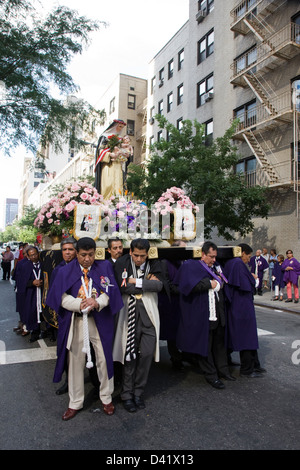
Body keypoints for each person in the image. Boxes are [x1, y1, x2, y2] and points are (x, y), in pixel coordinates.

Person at [46, 237, 123, 421]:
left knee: (104, 359)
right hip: (77, 320)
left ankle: (106, 398)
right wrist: (78, 304)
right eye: (83, 255)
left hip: (98, 319)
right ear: (76, 253)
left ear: (95, 252)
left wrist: (97, 301)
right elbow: (60, 297)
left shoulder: (103, 267)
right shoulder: (65, 271)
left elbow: (110, 292)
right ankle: (75, 402)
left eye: (90, 254)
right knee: (75, 362)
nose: (87, 259)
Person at [175, 241, 234, 389]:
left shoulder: (215, 267)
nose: (214, 259)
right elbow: (188, 285)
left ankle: (223, 370)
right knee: (205, 346)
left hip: (218, 312)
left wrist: (215, 282)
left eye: (215, 256)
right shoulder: (192, 266)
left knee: (219, 344)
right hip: (202, 314)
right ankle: (211, 375)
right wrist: (209, 283)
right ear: (203, 254)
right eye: (211, 256)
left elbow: (221, 281)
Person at [113, 238, 164, 412]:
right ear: (130, 252)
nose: (139, 259)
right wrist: (146, 283)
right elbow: (122, 287)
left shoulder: (155, 263)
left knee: (147, 354)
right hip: (129, 313)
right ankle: (127, 394)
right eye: (136, 255)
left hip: (149, 314)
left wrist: (136, 282)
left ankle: (138, 392)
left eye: (142, 256)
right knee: (130, 355)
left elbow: (159, 286)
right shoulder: (122, 263)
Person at [223, 243, 265, 378]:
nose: (249, 259)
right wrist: (252, 279)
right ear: (243, 253)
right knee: (247, 337)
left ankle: (251, 365)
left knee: (235, 335)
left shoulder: (230, 263)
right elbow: (246, 285)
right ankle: (247, 369)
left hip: (235, 304)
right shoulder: (238, 263)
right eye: (248, 255)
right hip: (242, 305)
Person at [14, 245, 44, 342]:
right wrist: (32, 282)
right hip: (32, 294)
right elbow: (21, 281)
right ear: (28, 256)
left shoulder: (43, 264)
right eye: (31, 255)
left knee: (44, 312)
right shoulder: (25, 266)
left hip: (42, 293)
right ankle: (34, 333)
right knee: (32, 313)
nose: (34, 257)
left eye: (35, 254)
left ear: (38, 254)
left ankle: (48, 332)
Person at [94, 119, 127, 198]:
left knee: (119, 183)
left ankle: (118, 201)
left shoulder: (120, 139)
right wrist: (110, 154)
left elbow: (122, 152)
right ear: (114, 125)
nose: (120, 129)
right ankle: (105, 201)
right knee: (108, 184)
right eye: (119, 126)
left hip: (117, 164)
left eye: (122, 127)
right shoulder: (105, 137)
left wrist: (122, 155)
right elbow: (100, 151)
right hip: (108, 164)